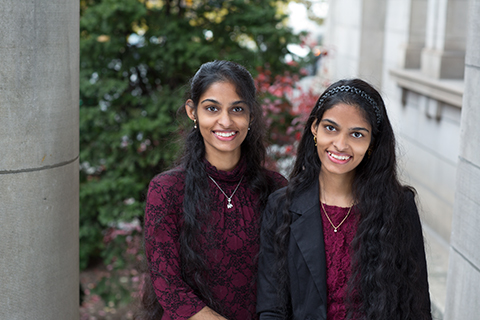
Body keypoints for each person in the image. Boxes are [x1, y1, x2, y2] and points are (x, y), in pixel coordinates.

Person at [256, 79, 432, 320]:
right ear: (315, 129)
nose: (340, 144)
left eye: (357, 134)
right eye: (331, 128)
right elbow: (271, 308)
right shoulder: (281, 206)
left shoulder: (398, 208)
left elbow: (416, 308)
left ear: (372, 142)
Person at [139, 60, 287, 320]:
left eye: (237, 109)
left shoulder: (276, 188)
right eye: (212, 108)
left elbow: (284, 279)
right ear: (192, 111)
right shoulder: (166, 191)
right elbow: (168, 286)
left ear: (251, 114)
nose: (226, 121)